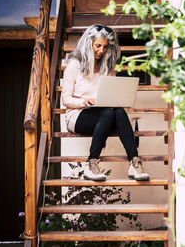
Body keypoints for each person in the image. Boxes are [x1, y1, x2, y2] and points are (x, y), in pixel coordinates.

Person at [62, 24, 149, 181]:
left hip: (104, 115)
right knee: (110, 112)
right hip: (77, 116)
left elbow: (111, 94)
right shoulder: (74, 65)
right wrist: (84, 101)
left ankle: (134, 162)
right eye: (98, 46)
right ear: (88, 43)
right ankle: (92, 163)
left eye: (104, 47)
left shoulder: (107, 67)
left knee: (118, 111)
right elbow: (66, 100)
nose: (101, 51)